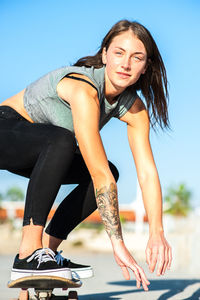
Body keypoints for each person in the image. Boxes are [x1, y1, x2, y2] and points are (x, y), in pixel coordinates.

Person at [0, 19, 172, 291]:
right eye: (118, 53)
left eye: (136, 57)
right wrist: (118, 244)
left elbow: (147, 173)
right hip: (6, 130)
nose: (125, 64)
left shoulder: (136, 110)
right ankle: (28, 254)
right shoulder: (83, 89)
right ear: (105, 54)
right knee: (65, 142)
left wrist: (157, 233)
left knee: (107, 170)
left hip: (49, 151)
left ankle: (45, 255)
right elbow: (98, 171)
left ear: (145, 66)